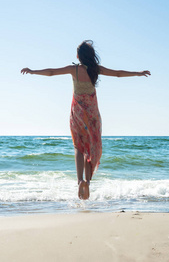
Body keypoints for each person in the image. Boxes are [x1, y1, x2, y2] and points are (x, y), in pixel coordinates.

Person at [21, 40, 150, 200]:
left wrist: (33, 71)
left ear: (78, 56)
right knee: (91, 146)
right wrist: (137, 73)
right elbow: (118, 73)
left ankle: (79, 180)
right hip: (92, 114)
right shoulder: (96, 70)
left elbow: (51, 72)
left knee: (78, 146)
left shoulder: (73, 69)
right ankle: (88, 182)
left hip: (77, 113)